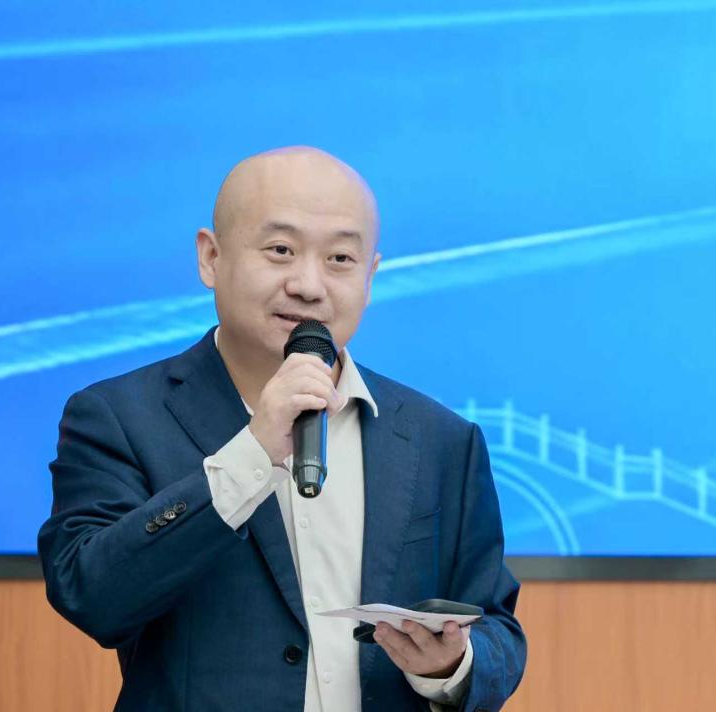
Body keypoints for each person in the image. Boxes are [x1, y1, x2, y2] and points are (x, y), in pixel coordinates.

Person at [38, 146, 526, 711]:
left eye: (340, 258)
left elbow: (495, 629)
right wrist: (251, 453)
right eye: (281, 250)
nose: (309, 285)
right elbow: (92, 597)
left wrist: (448, 666)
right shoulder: (119, 416)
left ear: (370, 275)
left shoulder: (441, 439)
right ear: (211, 257)